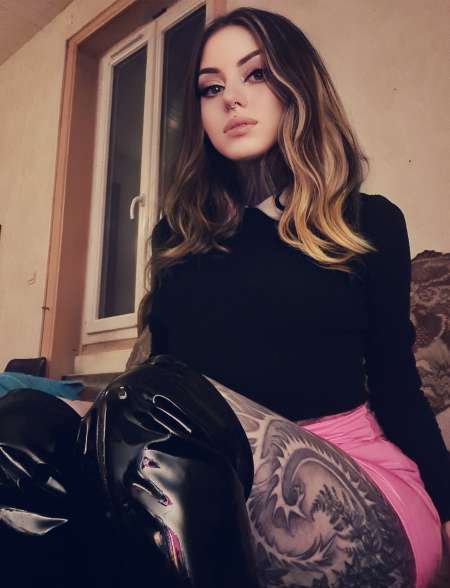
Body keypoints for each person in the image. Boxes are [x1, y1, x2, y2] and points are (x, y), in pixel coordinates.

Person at [136, 6, 450, 587]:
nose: (232, 99)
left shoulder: (368, 222)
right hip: (207, 481)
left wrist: (449, 506)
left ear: (296, 85)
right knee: (26, 424)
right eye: (211, 88)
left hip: (355, 484)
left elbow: (396, 384)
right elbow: (165, 376)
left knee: (149, 410)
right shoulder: (176, 239)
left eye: (255, 74)